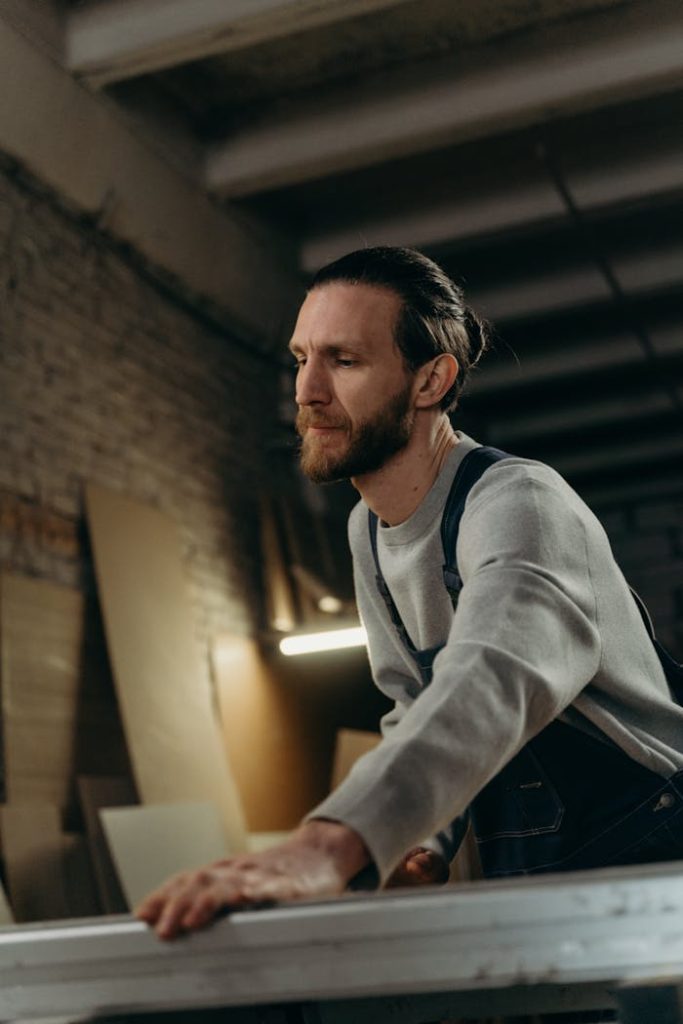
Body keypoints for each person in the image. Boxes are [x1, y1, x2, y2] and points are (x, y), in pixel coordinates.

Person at [137, 246, 683, 942]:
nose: (306, 392)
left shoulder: (520, 503)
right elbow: (421, 704)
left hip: (654, 857)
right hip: (544, 872)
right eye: (300, 357)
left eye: (343, 359)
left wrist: (325, 847)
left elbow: (491, 678)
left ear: (430, 381)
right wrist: (419, 845)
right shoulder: (368, 530)